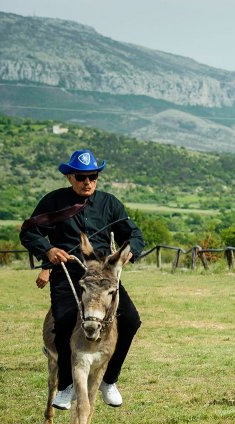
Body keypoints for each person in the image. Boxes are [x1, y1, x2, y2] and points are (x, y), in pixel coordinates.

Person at [20, 149, 144, 410]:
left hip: (101, 275)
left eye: (93, 176)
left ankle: (109, 380)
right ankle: (66, 387)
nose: (87, 182)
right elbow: (30, 232)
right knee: (64, 323)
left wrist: (131, 249)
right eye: (81, 176)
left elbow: (133, 233)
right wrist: (49, 250)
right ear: (70, 177)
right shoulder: (52, 202)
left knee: (131, 319)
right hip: (68, 275)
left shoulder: (110, 203)